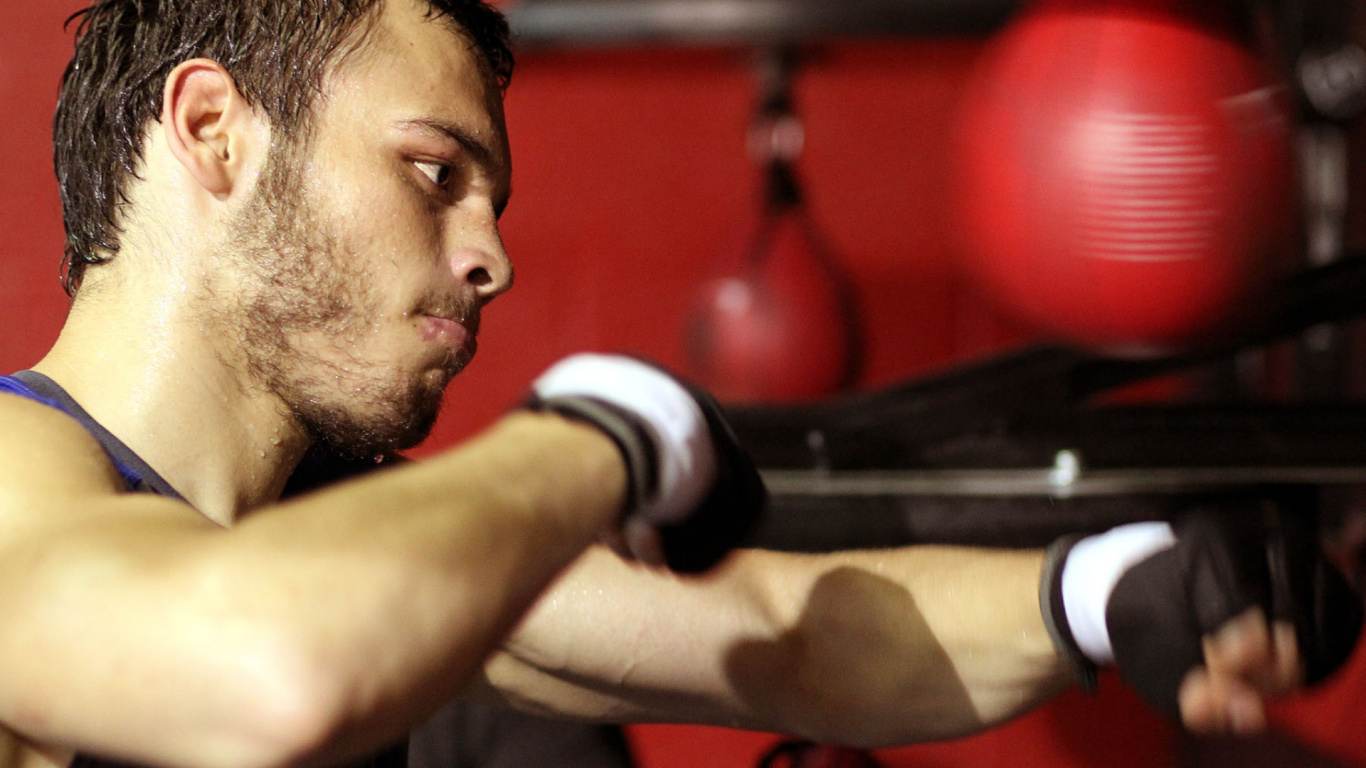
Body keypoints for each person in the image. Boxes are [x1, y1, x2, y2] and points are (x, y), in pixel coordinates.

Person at [0, 1, 1357, 768]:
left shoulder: (334, 538)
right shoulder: (17, 475)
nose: (491, 257)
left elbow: (795, 635)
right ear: (211, 132)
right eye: (433, 172)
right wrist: (600, 433)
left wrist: (1111, 587)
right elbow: (262, 669)